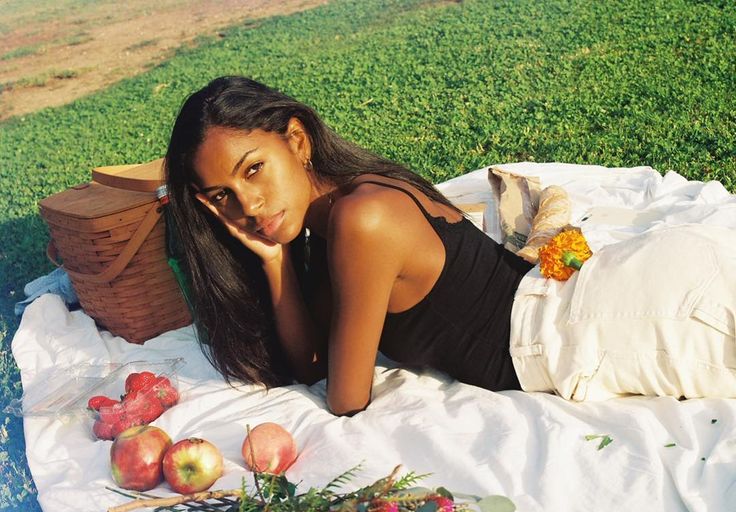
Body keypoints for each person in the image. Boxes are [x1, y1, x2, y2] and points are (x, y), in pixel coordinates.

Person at [165, 76, 736, 415]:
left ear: (296, 138)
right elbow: (313, 362)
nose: (248, 206)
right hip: (601, 302)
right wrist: (274, 260)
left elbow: (344, 397)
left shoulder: (363, 220)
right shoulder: (339, 212)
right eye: (221, 196)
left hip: (608, 321)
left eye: (254, 170)